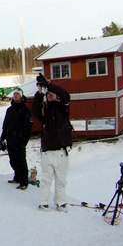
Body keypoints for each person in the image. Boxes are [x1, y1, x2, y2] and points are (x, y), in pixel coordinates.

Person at [32, 73, 73, 211]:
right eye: (47, 94)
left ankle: (60, 202)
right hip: (47, 152)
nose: (49, 95)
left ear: (57, 96)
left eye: (52, 94)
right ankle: (43, 202)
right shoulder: (46, 112)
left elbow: (66, 95)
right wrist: (39, 92)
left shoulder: (64, 107)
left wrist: (49, 85)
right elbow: (35, 110)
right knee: (46, 180)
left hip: (61, 152)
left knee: (61, 181)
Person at [0, 89, 33, 189]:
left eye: (17, 94)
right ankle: (17, 177)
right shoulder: (9, 110)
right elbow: (5, 126)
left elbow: (28, 129)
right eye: (14, 94)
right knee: (13, 161)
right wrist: (2, 139)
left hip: (20, 140)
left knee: (21, 161)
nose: (15, 96)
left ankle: (24, 182)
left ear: (21, 96)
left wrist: (23, 142)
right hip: (10, 139)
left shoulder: (25, 110)